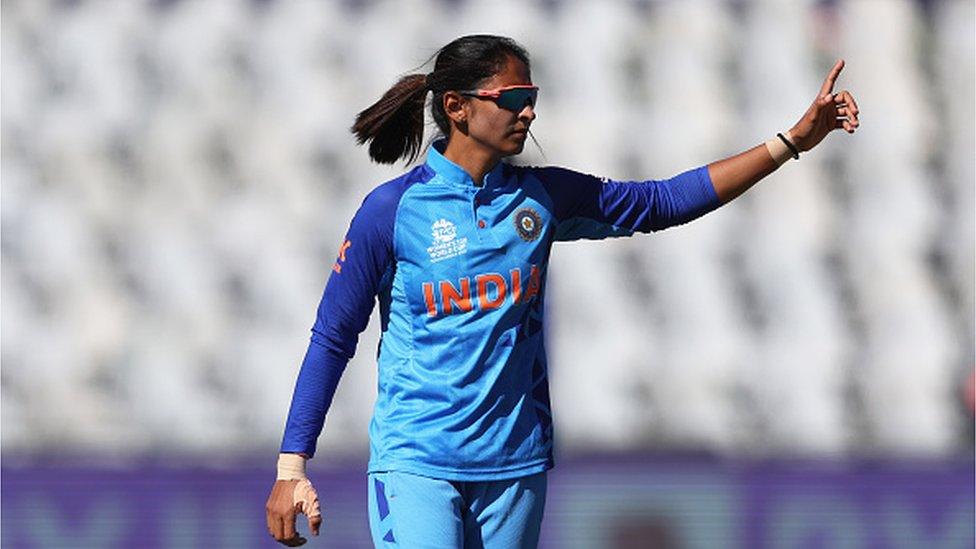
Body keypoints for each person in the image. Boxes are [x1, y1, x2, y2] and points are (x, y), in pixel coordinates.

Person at [264, 34, 859, 548]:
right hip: (417, 463)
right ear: (457, 107)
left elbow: (662, 202)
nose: (528, 114)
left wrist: (791, 143)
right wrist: (293, 467)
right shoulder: (391, 212)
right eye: (514, 100)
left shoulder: (540, 198)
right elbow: (333, 336)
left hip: (515, 467)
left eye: (533, 100)